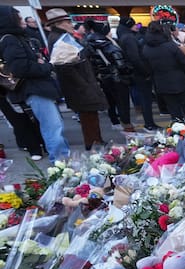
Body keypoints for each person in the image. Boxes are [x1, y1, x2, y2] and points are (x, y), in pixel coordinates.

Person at [0, 6, 68, 162]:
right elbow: (20, 68)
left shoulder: (16, 37)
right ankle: (61, 164)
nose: (22, 21)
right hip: (33, 89)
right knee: (52, 128)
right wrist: (46, 66)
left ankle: (61, 162)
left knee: (53, 127)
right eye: (18, 17)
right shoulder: (10, 39)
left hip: (35, 88)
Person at [46, 8, 108, 151]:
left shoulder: (62, 37)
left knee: (91, 114)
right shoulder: (59, 39)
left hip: (81, 83)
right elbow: (66, 66)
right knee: (88, 116)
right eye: (68, 22)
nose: (71, 24)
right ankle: (93, 144)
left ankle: (96, 141)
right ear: (59, 23)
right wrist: (84, 84)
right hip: (79, 85)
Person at [84, 20, 135, 132]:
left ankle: (115, 122)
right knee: (123, 103)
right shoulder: (109, 46)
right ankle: (127, 126)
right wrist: (130, 69)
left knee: (111, 101)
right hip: (117, 79)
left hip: (103, 78)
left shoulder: (89, 44)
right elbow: (121, 66)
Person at [142, 21, 185, 123]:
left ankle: (179, 133)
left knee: (174, 112)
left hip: (161, 83)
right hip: (179, 81)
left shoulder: (146, 49)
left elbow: (147, 69)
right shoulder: (170, 46)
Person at [117, 16, 159, 131]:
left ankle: (149, 123)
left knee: (145, 98)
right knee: (146, 99)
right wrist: (146, 72)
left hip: (134, 72)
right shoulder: (129, 38)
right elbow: (135, 58)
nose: (137, 26)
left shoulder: (124, 36)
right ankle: (149, 123)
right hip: (139, 73)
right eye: (134, 24)